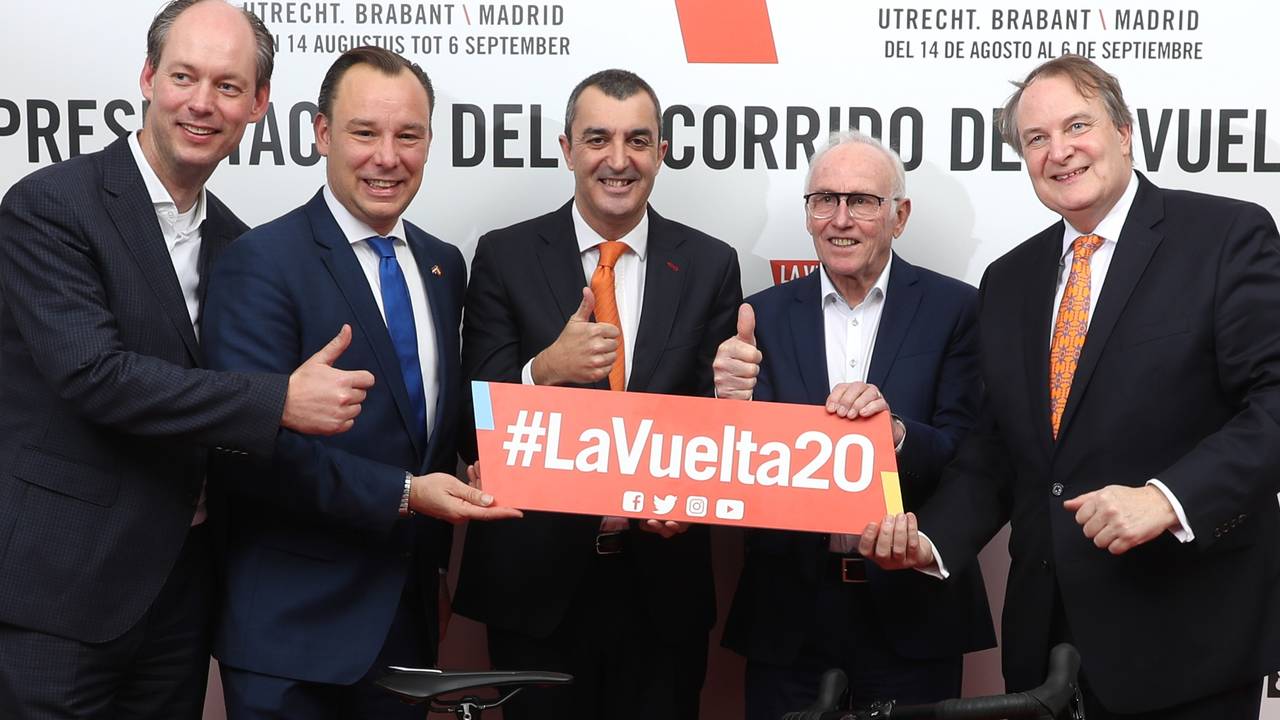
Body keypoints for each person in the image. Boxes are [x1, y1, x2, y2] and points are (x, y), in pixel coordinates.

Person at [858, 54, 1280, 719]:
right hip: (1046, 651)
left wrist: (1168, 499)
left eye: (1076, 126)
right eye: (1037, 138)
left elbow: (1274, 402)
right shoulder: (1009, 279)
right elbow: (999, 449)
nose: (1058, 151)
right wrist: (930, 540)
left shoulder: (1225, 236)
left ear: (1124, 132)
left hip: (1187, 640)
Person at [0, 2, 374, 717]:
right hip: (59, 593)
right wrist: (278, 401)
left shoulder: (240, 244)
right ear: (148, 78)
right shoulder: (51, 205)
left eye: (229, 86)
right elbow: (95, 376)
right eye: (183, 76)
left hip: (179, 597)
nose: (202, 103)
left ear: (258, 104)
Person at [200, 47, 520, 720]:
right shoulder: (260, 262)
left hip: (406, 630)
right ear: (322, 134)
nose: (387, 157)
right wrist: (406, 494)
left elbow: (434, 430)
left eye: (409, 136)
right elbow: (245, 447)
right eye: (365, 132)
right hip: (292, 638)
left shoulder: (442, 265)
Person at [452, 68, 742, 720]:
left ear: (661, 152)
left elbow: (714, 424)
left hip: (662, 591)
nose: (618, 159)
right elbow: (471, 429)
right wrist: (543, 371)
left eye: (637, 140)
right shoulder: (504, 255)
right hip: (535, 592)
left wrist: (699, 478)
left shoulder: (710, 264)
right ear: (567, 149)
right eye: (597, 139)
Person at [712, 131, 994, 719]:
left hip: (912, 613)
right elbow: (734, 468)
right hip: (788, 614)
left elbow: (972, 455)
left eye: (862, 200)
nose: (841, 219)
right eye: (825, 200)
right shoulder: (760, 316)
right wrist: (727, 408)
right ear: (808, 213)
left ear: (899, 215)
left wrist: (896, 434)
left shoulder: (957, 309)